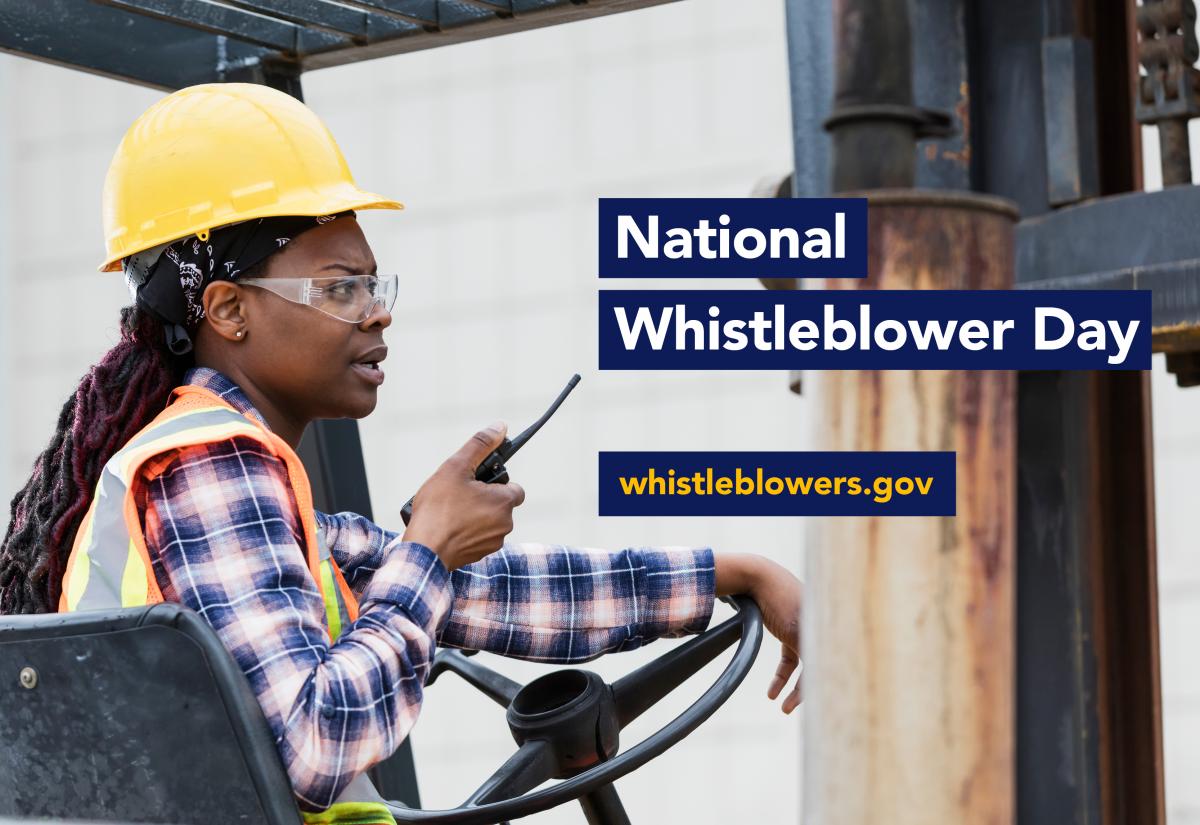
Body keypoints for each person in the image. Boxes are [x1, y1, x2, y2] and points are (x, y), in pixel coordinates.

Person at [0, 83, 802, 823]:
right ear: (229, 309)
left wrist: (735, 573)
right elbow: (316, 745)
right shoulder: (209, 466)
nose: (376, 315)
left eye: (376, 287)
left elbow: (496, 595)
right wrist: (429, 548)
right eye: (341, 287)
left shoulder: (254, 488)